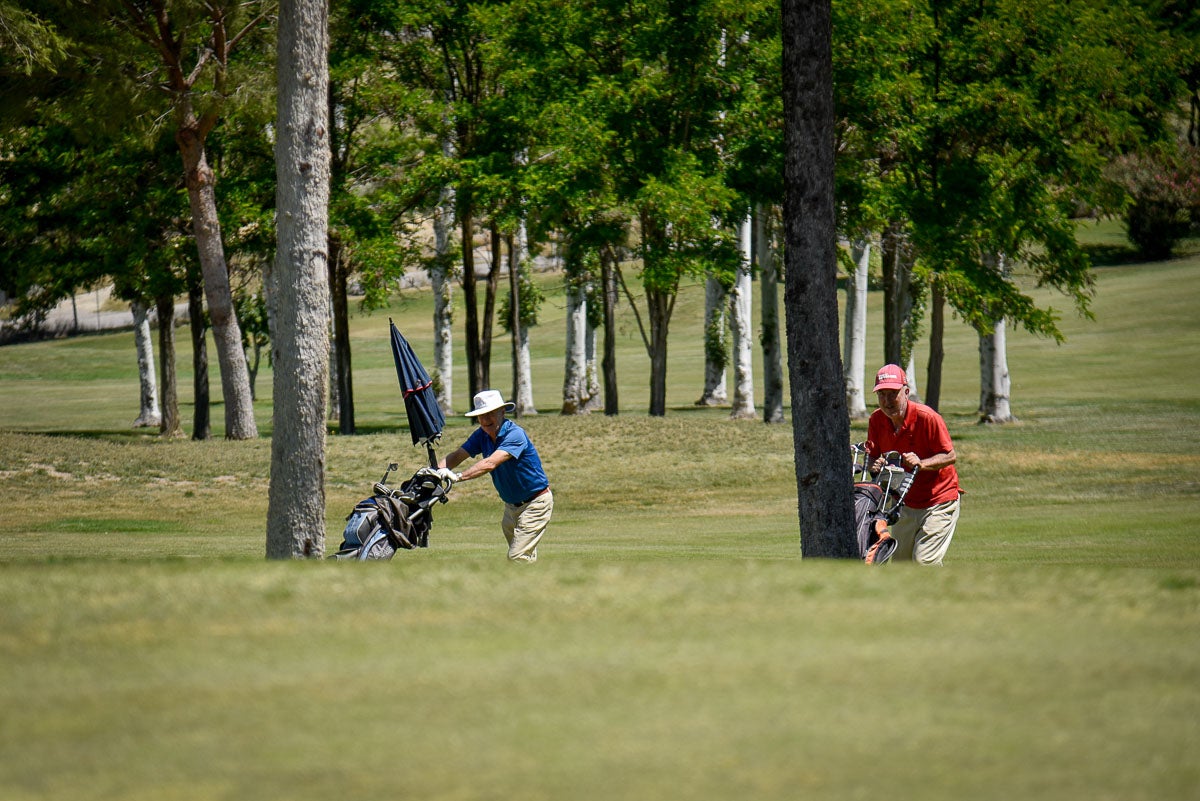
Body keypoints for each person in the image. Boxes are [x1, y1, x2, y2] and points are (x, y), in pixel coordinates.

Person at [436, 390, 553, 563]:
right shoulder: (481, 435)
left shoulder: (515, 434)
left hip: (535, 504)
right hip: (511, 508)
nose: (485, 420)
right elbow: (457, 455)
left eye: (490, 414)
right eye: (481, 415)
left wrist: (457, 477)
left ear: (502, 412)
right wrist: (433, 471)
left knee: (517, 557)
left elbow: (490, 463)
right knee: (525, 560)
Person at [865, 364, 961, 565]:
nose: (887, 401)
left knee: (924, 562)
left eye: (893, 394)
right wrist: (876, 465)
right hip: (905, 502)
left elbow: (949, 455)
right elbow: (872, 457)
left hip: (939, 500)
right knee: (902, 565)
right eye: (882, 394)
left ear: (906, 392)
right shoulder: (876, 420)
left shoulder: (927, 418)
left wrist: (921, 463)